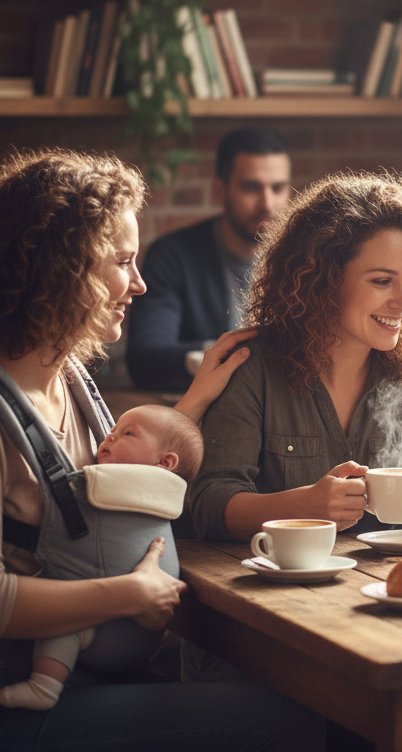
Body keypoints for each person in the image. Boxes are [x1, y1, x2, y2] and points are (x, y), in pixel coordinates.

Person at [0, 147, 323, 751]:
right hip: (24, 701)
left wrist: (194, 403)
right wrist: (126, 594)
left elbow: (115, 485)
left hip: (87, 674)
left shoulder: (69, 378)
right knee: (289, 722)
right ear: (62, 268)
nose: (140, 283)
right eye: (123, 261)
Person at [189, 169, 402, 542]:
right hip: (278, 585)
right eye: (381, 281)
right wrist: (302, 507)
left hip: (397, 581)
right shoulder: (253, 366)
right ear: (323, 280)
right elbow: (210, 505)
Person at [0, 405, 203, 711]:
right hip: (90, 637)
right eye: (112, 430)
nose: (109, 437)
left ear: (165, 463)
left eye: (126, 433)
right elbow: (162, 434)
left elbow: (170, 433)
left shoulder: (80, 390)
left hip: (133, 637)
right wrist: (135, 592)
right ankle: (44, 686)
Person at [126, 126, 291, 393]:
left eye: (278, 188)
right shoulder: (172, 255)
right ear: (219, 190)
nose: (267, 203)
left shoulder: (304, 260)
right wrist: (243, 355)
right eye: (251, 187)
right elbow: (146, 358)